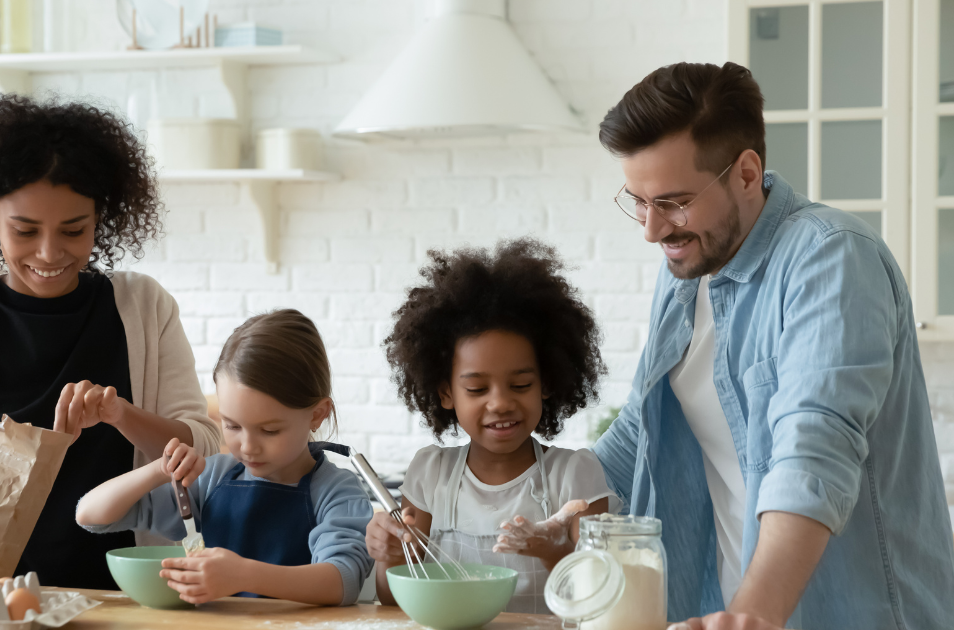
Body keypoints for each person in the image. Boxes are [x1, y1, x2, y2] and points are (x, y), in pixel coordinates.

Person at [585, 62, 954, 628]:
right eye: (638, 200)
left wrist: (752, 615)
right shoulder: (687, 266)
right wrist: (545, 497)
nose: (652, 230)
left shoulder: (832, 257)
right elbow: (640, 429)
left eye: (673, 202)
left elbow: (813, 447)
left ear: (747, 172)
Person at [0, 94, 222, 590]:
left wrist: (121, 414)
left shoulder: (144, 307)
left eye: (74, 230)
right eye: (24, 230)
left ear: (100, 216)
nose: (49, 253)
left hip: (123, 599)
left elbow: (201, 445)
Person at [364, 238, 618, 614]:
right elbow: (393, 596)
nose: (499, 402)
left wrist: (557, 553)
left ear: (546, 383)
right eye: (477, 388)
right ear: (446, 392)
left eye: (520, 385)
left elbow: (600, 597)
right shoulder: (431, 474)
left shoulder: (574, 476)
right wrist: (387, 554)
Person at [76, 309, 374, 606]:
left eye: (269, 430)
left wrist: (244, 575)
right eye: (232, 425)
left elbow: (342, 582)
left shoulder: (337, 491)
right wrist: (159, 468)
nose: (247, 447)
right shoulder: (211, 478)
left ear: (317, 415)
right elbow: (91, 516)